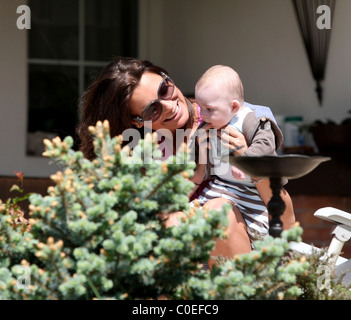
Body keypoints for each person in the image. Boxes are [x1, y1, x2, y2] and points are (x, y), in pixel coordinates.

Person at [76, 56, 295, 268]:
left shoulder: (232, 115)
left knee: (218, 211)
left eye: (164, 89)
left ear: (167, 77)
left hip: (250, 250)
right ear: (136, 122)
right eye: (152, 109)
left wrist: (249, 161)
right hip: (186, 269)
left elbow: (284, 210)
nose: (169, 106)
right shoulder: (144, 158)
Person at [190, 65, 288, 248]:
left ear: (233, 106)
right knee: (194, 214)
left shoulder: (249, 119)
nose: (203, 115)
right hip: (220, 185)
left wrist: (245, 160)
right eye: (200, 108)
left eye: (209, 109)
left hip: (251, 191)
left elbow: (266, 143)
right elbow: (196, 147)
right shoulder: (209, 125)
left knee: (257, 229)